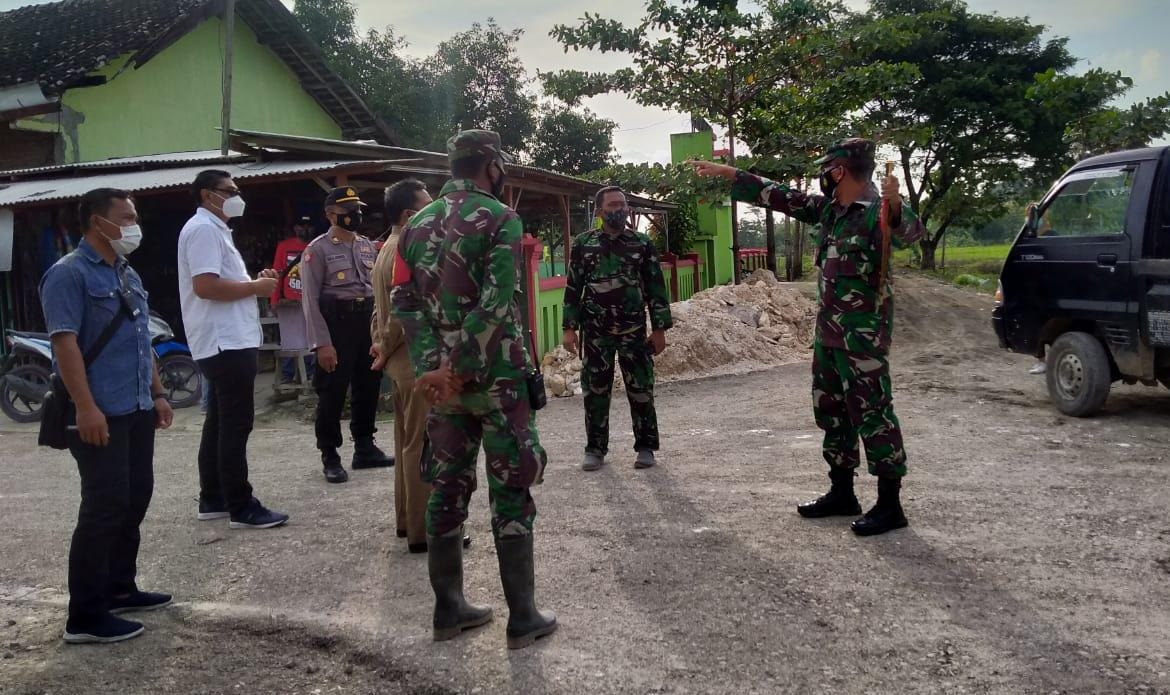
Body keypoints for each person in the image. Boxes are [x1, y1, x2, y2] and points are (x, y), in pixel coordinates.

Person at [692, 138, 925, 536]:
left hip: (863, 340)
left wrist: (898, 208)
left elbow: (913, 233)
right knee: (832, 412)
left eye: (828, 167)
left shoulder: (878, 211)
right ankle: (842, 492)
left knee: (874, 415)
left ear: (840, 169)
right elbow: (784, 197)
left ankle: (890, 505)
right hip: (829, 336)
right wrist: (733, 174)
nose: (823, 174)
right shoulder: (831, 212)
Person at [391, 130, 556, 649]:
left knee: (446, 488)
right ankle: (523, 617)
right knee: (511, 489)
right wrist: (461, 366)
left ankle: (449, 610)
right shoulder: (501, 219)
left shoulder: (413, 227)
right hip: (497, 382)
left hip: (443, 389)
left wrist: (433, 370)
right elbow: (496, 300)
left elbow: (404, 301)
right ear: (491, 164)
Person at [40, 188, 175, 644]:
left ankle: (120, 588)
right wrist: (84, 406)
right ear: (98, 222)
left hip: (135, 406)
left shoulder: (125, 272)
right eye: (126, 216)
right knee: (103, 507)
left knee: (135, 497)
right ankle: (86, 616)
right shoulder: (68, 275)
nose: (134, 224)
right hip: (98, 412)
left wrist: (157, 393)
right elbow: (65, 344)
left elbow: (142, 338)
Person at [178, 170, 289, 530]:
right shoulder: (204, 230)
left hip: (227, 337)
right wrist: (256, 287)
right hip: (224, 339)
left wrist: (254, 281)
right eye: (231, 191)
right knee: (236, 423)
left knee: (220, 421)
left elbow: (221, 282)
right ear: (208, 195)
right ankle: (241, 505)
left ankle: (214, 497)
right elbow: (206, 287)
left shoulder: (215, 230)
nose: (237, 196)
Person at [562, 186, 672, 472]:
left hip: (633, 331)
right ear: (599, 211)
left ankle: (646, 447)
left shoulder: (642, 244)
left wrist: (659, 329)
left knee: (641, 389)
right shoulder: (583, 244)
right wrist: (569, 328)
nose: (619, 209)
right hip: (596, 333)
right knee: (595, 391)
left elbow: (655, 288)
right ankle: (595, 449)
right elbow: (573, 288)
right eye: (612, 205)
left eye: (622, 204)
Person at [300, 187, 395, 484]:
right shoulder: (317, 249)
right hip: (336, 323)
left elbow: (377, 289)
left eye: (357, 208)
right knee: (333, 390)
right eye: (348, 209)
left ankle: (365, 447)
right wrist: (322, 343)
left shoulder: (367, 246)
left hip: (366, 320)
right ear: (330, 214)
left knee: (368, 384)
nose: (355, 214)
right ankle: (330, 454)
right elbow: (310, 300)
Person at [270, 216, 316, 384]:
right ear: (295, 227)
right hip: (289, 302)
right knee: (290, 339)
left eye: (308, 226)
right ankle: (287, 376)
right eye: (301, 225)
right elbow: (277, 273)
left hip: (312, 300)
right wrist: (274, 299)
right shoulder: (284, 247)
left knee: (312, 337)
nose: (305, 229)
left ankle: (311, 374)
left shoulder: (317, 246)